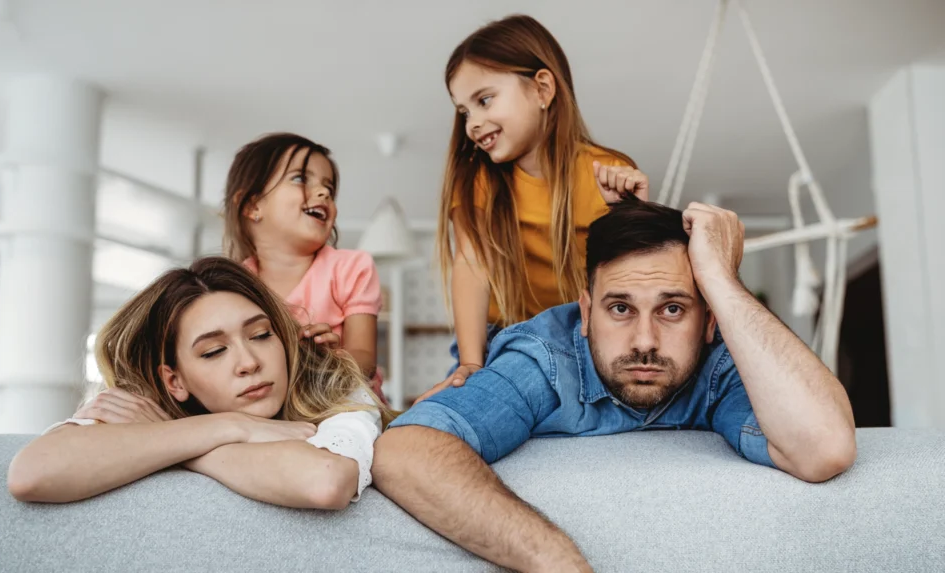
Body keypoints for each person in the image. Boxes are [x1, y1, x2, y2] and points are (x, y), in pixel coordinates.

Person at [374, 197, 857, 571]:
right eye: (620, 308)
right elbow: (405, 450)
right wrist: (556, 560)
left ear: (709, 321)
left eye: (673, 309)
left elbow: (823, 447)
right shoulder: (547, 357)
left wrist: (722, 281)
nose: (644, 342)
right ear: (585, 314)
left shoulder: (719, 363)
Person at [8, 257, 394, 509]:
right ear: (174, 381)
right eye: (213, 352)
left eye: (261, 335)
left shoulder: (332, 386)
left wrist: (174, 441)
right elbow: (32, 472)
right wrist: (233, 427)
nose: (249, 363)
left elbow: (324, 480)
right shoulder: (142, 403)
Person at [431, 14, 650, 397]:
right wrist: (471, 361)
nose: (473, 124)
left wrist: (634, 214)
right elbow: (471, 265)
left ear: (543, 89)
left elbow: (633, 280)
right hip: (501, 336)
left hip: (586, 335)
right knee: (468, 405)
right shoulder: (478, 181)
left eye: (484, 100)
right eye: (465, 111)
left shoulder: (607, 171)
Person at [224, 132, 385, 402]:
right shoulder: (234, 286)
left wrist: (333, 362)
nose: (323, 192)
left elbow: (365, 358)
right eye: (300, 178)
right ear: (253, 206)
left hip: (344, 404)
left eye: (329, 188)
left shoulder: (352, 267)